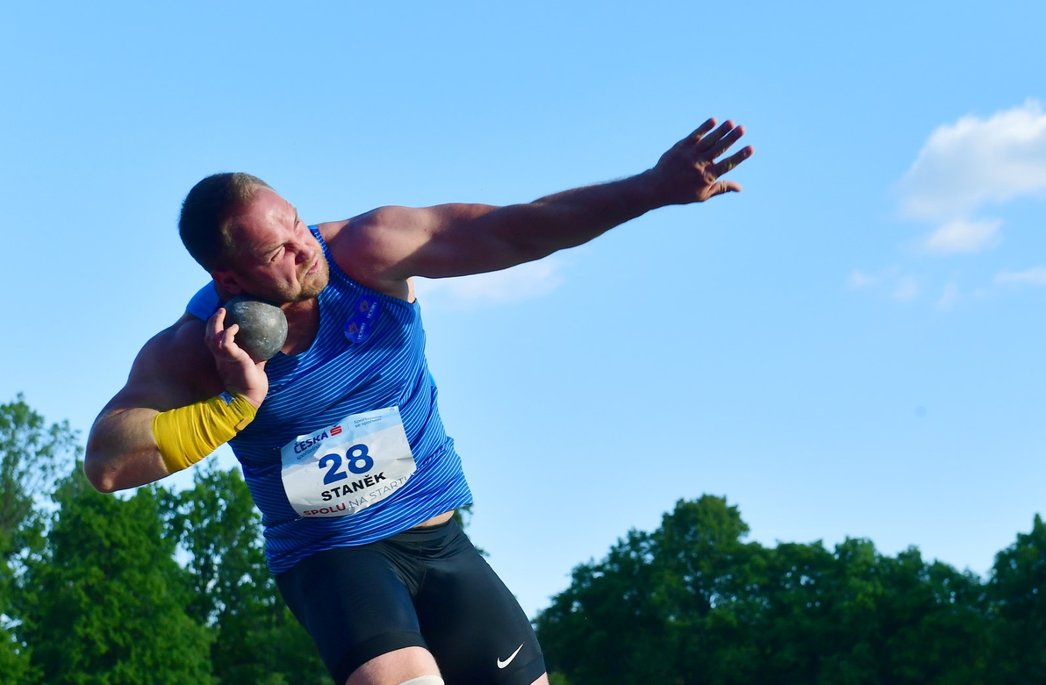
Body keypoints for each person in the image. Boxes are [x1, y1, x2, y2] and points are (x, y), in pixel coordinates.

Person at [85, 117, 753, 685]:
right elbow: (109, 460)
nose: (303, 246)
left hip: (442, 541)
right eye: (279, 249)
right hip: (334, 555)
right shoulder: (200, 348)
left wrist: (652, 188)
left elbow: (519, 230)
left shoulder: (366, 253)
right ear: (229, 276)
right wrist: (234, 402)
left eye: (296, 222)